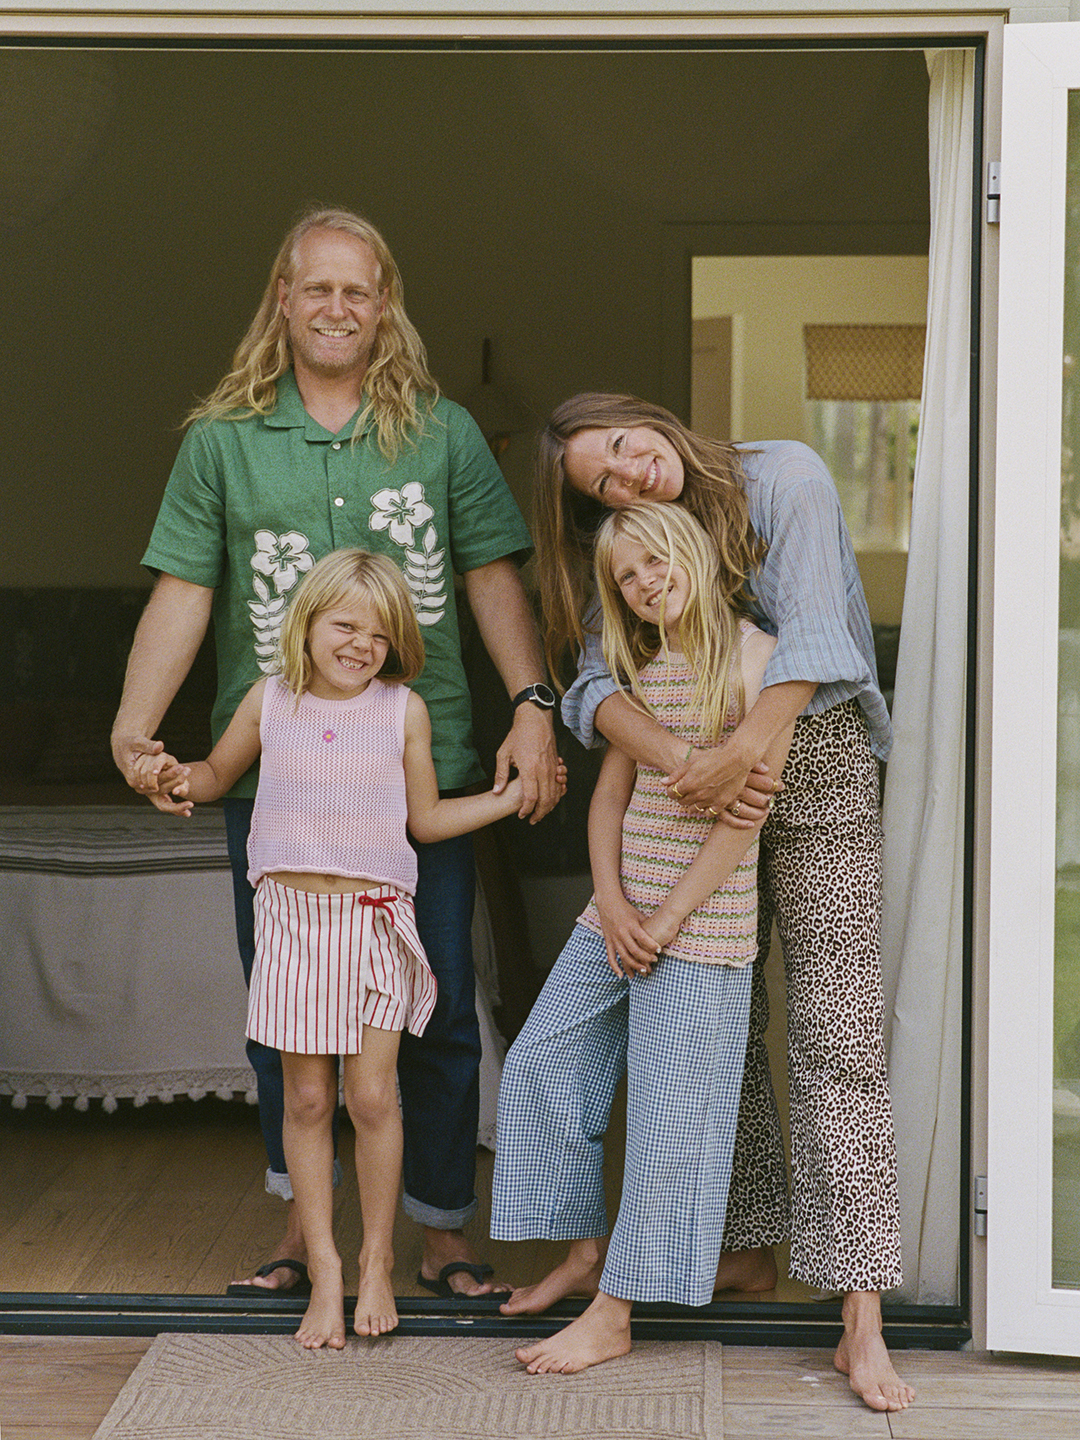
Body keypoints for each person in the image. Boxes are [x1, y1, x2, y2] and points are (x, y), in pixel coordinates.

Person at [111, 207, 560, 1301]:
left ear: (384, 303)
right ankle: (299, 1227)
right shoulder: (222, 441)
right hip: (280, 783)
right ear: (284, 297)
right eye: (318, 289)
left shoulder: (444, 432)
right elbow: (185, 590)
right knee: (286, 1010)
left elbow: (495, 572)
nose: (338, 308)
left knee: (439, 1004)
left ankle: (441, 1229)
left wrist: (533, 703)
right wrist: (132, 728)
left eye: (359, 291)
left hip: (431, 759)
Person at [524, 392, 914, 1412]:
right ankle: (739, 1249)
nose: (628, 476)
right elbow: (591, 683)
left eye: (621, 449)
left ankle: (859, 1314)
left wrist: (742, 752)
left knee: (838, 1034)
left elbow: (820, 633)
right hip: (691, 774)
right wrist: (683, 759)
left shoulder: (782, 473)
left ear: (641, 416)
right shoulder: (629, 555)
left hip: (814, 756)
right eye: (602, 486)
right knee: (711, 1027)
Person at [141, 550, 565, 1349]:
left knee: (372, 1099)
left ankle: (376, 1261)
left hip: (373, 922)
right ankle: (326, 1270)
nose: (361, 644)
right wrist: (169, 774)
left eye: (379, 633)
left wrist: (507, 798)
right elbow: (213, 774)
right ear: (307, 625)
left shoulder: (401, 711)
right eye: (345, 625)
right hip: (293, 924)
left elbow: (427, 821)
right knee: (305, 1101)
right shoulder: (268, 702)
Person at [491, 503, 792, 1374]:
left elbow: (744, 823)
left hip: (700, 933)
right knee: (543, 1060)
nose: (646, 582)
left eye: (657, 561)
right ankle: (585, 1255)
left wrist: (663, 921)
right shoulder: (642, 664)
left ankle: (617, 1311)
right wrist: (613, 904)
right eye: (627, 576)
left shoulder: (755, 662)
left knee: (672, 1123)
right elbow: (610, 800)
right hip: (618, 916)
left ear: (693, 553)